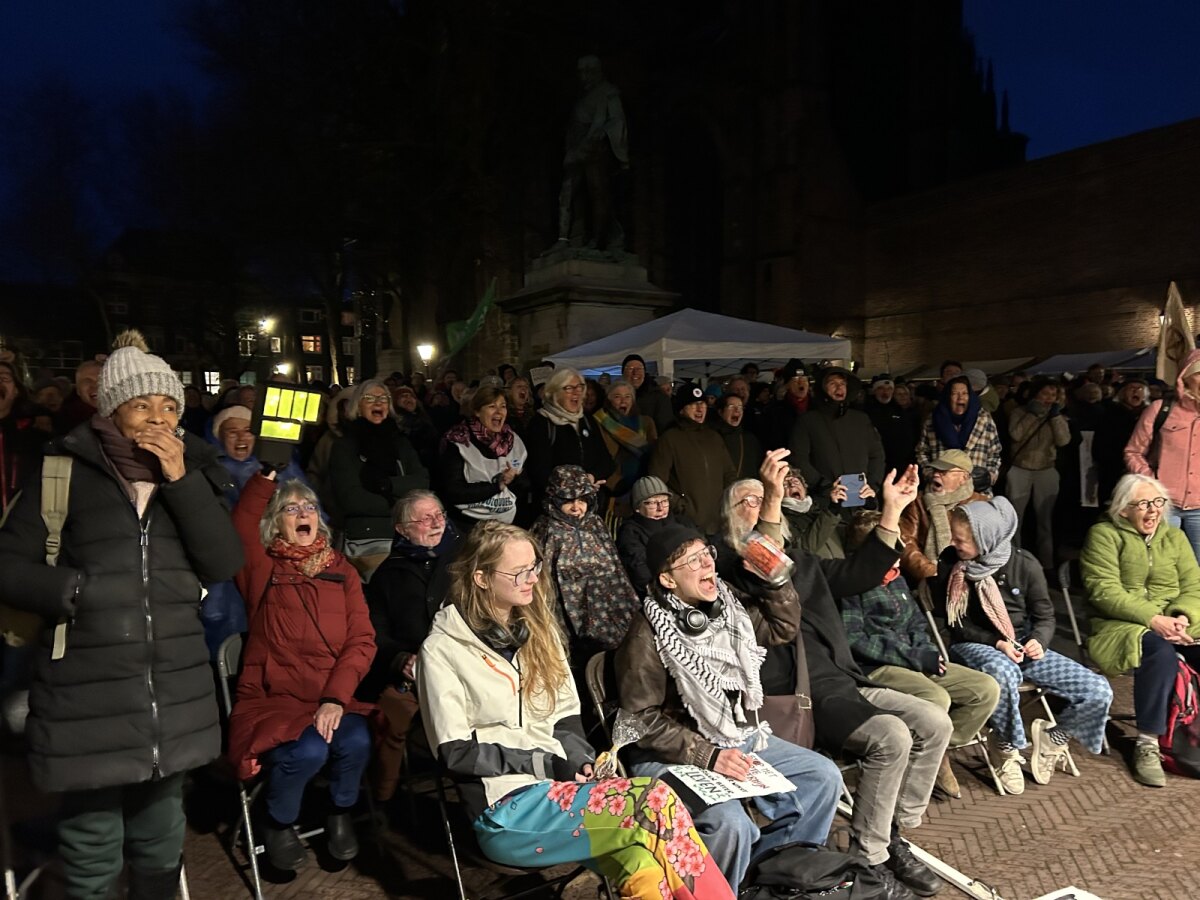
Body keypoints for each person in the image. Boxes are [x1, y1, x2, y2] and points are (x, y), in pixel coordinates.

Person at [0, 331, 243, 898]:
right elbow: (8, 564)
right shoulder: (63, 472)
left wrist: (181, 482)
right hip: (87, 687)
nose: (158, 418)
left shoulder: (196, 472)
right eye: (142, 405)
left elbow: (223, 560)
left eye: (169, 406)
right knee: (92, 832)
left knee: (162, 827)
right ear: (113, 409)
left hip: (173, 686)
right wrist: (74, 591)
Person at [417, 521, 736, 900]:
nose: (532, 579)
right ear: (482, 578)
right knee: (656, 800)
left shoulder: (540, 631)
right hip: (505, 812)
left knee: (644, 867)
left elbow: (566, 718)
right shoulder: (441, 650)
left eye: (535, 567)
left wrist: (579, 759)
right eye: (519, 572)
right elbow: (456, 752)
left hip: (564, 793)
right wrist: (546, 763)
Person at [716, 456, 951, 898]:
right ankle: (871, 854)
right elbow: (765, 567)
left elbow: (860, 574)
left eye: (764, 499)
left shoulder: (804, 562)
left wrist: (892, 511)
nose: (761, 505)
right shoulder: (727, 569)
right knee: (892, 737)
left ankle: (891, 831)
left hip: (843, 679)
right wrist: (770, 503)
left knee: (935, 721)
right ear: (730, 516)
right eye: (749, 500)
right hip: (800, 693)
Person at [615, 523, 842, 892]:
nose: (707, 564)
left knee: (822, 777)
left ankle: (769, 877)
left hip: (732, 737)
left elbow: (781, 629)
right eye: (693, 560)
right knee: (731, 824)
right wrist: (707, 755)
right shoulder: (647, 634)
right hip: (671, 754)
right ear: (668, 581)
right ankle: (716, 891)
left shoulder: (726, 608)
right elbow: (639, 721)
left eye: (707, 554)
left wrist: (776, 583)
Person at [227, 472, 376, 870]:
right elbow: (241, 523)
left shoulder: (342, 570)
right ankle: (277, 821)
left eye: (309, 506)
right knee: (308, 749)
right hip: (274, 697)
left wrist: (334, 698)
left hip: (330, 695)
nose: (303, 513)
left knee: (357, 740)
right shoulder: (262, 566)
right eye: (291, 508)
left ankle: (339, 811)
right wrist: (266, 475)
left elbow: (362, 640)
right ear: (277, 522)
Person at [934, 498, 1113, 794]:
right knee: (1002, 671)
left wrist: (1038, 641)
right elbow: (955, 623)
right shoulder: (951, 563)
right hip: (975, 644)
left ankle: (1053, 739)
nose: (953, 543)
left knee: (1097, 690)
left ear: (985, 538)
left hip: (1022, 643)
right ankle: (1004, 747)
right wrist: (996, 642)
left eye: (960, 539)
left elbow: (1045, 615)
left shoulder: (1024, 564)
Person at [837, 511, 1000, 800]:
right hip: (876, 667)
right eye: (893, 543)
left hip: (914, 658)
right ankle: (922, 763)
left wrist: (925, 650)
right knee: (937, 700)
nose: (901, 550)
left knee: (985, 689)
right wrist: (913, 656)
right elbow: (855, 640)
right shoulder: (849, 585)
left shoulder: (898, 579)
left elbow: (916, 623)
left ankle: (937, 753)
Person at [1080, 473, 1200, 787]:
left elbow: (1193, 586)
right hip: (1118, 624)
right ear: (1123, 509)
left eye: (1158, 502)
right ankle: (1147, 743)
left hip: (1172, 621)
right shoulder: (1103, 535)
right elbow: (1104, 592)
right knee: (1160, 654)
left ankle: (1192, 735)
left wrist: (1181, 616)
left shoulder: (1174, 538)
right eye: (1143, 504)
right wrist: (1153, 620)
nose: (1153, 511)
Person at [361, 490, 460, 802]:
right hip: (413, 674)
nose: (436, 523)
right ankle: (385, 802)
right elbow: (375, 634)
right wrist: (399, 659)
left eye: (439, 515)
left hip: (464, 666)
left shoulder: (463, 562)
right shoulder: (387, 576)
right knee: (392, 715)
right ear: (402, 529)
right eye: (425, 518)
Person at [530, 465, 639, 663]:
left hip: (604, 601)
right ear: (555, 500)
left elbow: (615, 564)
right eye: (568, 501)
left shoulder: (595, 524)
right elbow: (541, 575)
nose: (576, 507)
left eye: (581, 500)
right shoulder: (547, 529)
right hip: (567, 607)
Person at [329, 379, 430, 579]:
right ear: (357, 407)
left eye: (383, 398)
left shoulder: (400, 442)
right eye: (369, 398)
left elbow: (421, 481)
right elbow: (351, 498)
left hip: (407, 534)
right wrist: (400, 506)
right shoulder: (345, 445)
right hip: (368, 538)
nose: (378, 402)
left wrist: (389, 485)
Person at [1125, 349, 1200, 562]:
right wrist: (1152, 481)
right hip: (1163, 504)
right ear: (1184, 377)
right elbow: (1133, 451)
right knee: (1161, 565)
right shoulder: (1161, 409)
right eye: (1199, 373)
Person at [556, 55, 629, 252]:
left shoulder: (608, 93)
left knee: (598, 193)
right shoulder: (581, 99)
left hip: (595, 151)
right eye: (581, 72)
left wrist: (600, 134)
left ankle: (599, 240)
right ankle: (564, 239)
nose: (584, 76)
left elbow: (617, 120)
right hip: (577, 150)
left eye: (588, 71)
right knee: (567, 193)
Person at [789, 367, 885, 508]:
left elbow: (877, 455)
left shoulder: (861, 419)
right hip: (826, 502)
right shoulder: (808, 421)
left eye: (842, 383)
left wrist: (872, 485)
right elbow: (799, 459)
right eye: (832, 383)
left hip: (862, 498)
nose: (839, 387)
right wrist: (825, 487)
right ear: (822, 388)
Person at [648, 382, 736, 534]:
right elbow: (656, 481)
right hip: (686, 524)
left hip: (718, 522)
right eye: (693, 404)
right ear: (682, 410)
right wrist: (680, 506)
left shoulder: (714, 437)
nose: (700, 408)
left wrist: (728, 501)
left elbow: (729, 473)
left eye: (702, 403)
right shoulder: (670, 438)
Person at [439, 385, 528, 532]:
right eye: (492, 406)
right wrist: (497, 485)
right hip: (469, 526)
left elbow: (524, 483)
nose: (499, 411)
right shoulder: (459, 441)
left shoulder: (512, 439)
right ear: (477, 411)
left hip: (505, 526)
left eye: (503, 406)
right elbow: (453, 490)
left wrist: (515, 479)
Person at [1006, 378, 1071, 568]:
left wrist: (1055, 417)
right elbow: (1016, 434)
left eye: (1053, 395)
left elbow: (1063, 440)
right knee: (1015, 519)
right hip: (1020, 469)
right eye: (1045, 394)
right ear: (1035, 394)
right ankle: (1014, 561)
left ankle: (1047, 563)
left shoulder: (1056, 416)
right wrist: (1031, 415)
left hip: (1046, 470)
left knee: (1045, 519)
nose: (1049, 399)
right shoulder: (1019, 412)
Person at [524, 367, 611, 507]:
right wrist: (576, 487)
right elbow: (539, 472)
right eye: (569, 388)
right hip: (557, 507)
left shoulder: (587, 420)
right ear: (554, 393)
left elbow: (606, 461)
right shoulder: (541, 423)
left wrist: (592, 477)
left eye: (580, 386)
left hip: (590, 503)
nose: (577, 392)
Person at [898, 450, 988, 584]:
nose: (936, 474)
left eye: (944, 472)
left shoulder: (981, 504)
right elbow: (906, 541)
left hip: (970, 578)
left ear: (963, 478)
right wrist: (931, 572)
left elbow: (990, 547)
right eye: (935, 470)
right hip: (929, 580)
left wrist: (966, 575)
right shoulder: (919, 501)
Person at [916, 375, 1002, 494]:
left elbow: (995, 452)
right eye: (955, 393)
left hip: (975, 489)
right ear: (948, 396)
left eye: (964, 393)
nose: (960, 397)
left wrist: (990, 474)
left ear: (970, 396)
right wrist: (930, 474)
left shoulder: (984, 419)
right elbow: (922, 451)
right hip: (942, 488)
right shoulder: (933, 420)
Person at [617, 475, 698, 596]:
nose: (660, 508)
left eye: (664, 501)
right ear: (637, 508)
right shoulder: (630, 533)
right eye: (652, 503)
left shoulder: (683, 522)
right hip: (661, 594)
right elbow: (640, 572)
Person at [593, 378, 657, 502]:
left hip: (641, 482)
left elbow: (654, 452)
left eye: (627, 396)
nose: (623, 400)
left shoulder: (646, 422)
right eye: (617, 396)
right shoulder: (599, 421)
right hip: (611, 485)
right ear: (609, 400)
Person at [1094, 376, 1147, 505]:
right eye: (1132, 388)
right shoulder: (1109, 414)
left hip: (1142, 472)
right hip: (1114, 471)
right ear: (1122, 393)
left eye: (1140, 389)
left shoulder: (1149, 414)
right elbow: (1100, 446)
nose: (1136, 391)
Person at [865, 374, 919, 474]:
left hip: (899, 466)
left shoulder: (900, 411)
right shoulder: (865, 412)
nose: (885, 392)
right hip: (873, 466)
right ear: (874, 390)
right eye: (881, 388)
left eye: (889, 388)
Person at [710, 393, 764, 479]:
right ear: (720, 412)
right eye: (731, 406)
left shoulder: (749, 439)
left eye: (740, 407)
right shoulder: (710, 437)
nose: (737, 410)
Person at [622, 354, 674, 434]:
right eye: (630, 369)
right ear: (623, 373)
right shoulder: (615, 396)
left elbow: (665, 429)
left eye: (639, 368)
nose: (635, 372)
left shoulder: (659, 396)